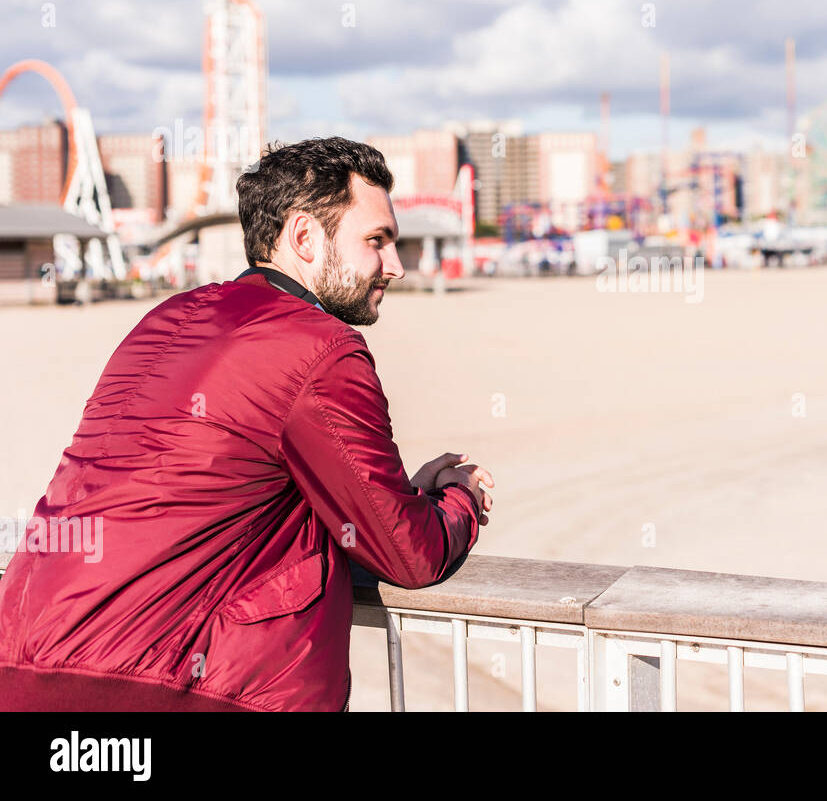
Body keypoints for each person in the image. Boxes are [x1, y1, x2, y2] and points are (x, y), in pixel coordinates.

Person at [0, 137, 495, 711]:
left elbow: (205, 484)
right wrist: (457, 499)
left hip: (26, 664)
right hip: (168, 686)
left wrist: (393, 493)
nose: (396, 266)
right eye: (376, 241)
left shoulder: (167, 319)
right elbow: (407, 552)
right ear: (304, 237)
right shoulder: (323, 348)